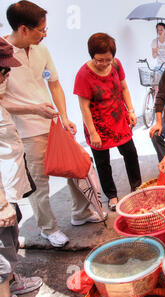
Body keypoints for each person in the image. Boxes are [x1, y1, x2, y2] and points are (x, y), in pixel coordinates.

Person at [1, 1, 106, 248]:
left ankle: (79, 213)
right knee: (39, 183)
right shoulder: (3, 54)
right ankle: (49, 229)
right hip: (25, 130)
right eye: (41, 30)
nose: (45, 34)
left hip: (53, 124)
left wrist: (64, 116)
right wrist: (33, 108)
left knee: (76, 166)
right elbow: (1, 101)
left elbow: (55, 84)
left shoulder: (41, 50)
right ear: (24, 29)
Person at [74, 33, 142, 211]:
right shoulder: (83, 74)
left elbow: (125, 88)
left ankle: (137, 187)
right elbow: (84, 106)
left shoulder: (117, 65)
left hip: (119, 119)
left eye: (108, 59)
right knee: (103, 163)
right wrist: (93, 132)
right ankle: (111, 196)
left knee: (130, 153)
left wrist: (131, 111)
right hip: (98, 125)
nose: (104, 64)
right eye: (99, 60)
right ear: (92, 55)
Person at [0, 36, 43, 297]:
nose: (5, 78)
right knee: (1, 262)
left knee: (9, 242)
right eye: (3, 72)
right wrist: (1, 203)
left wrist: (36, 108)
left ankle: (12, 282)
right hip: (1, 196)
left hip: (9, 186)